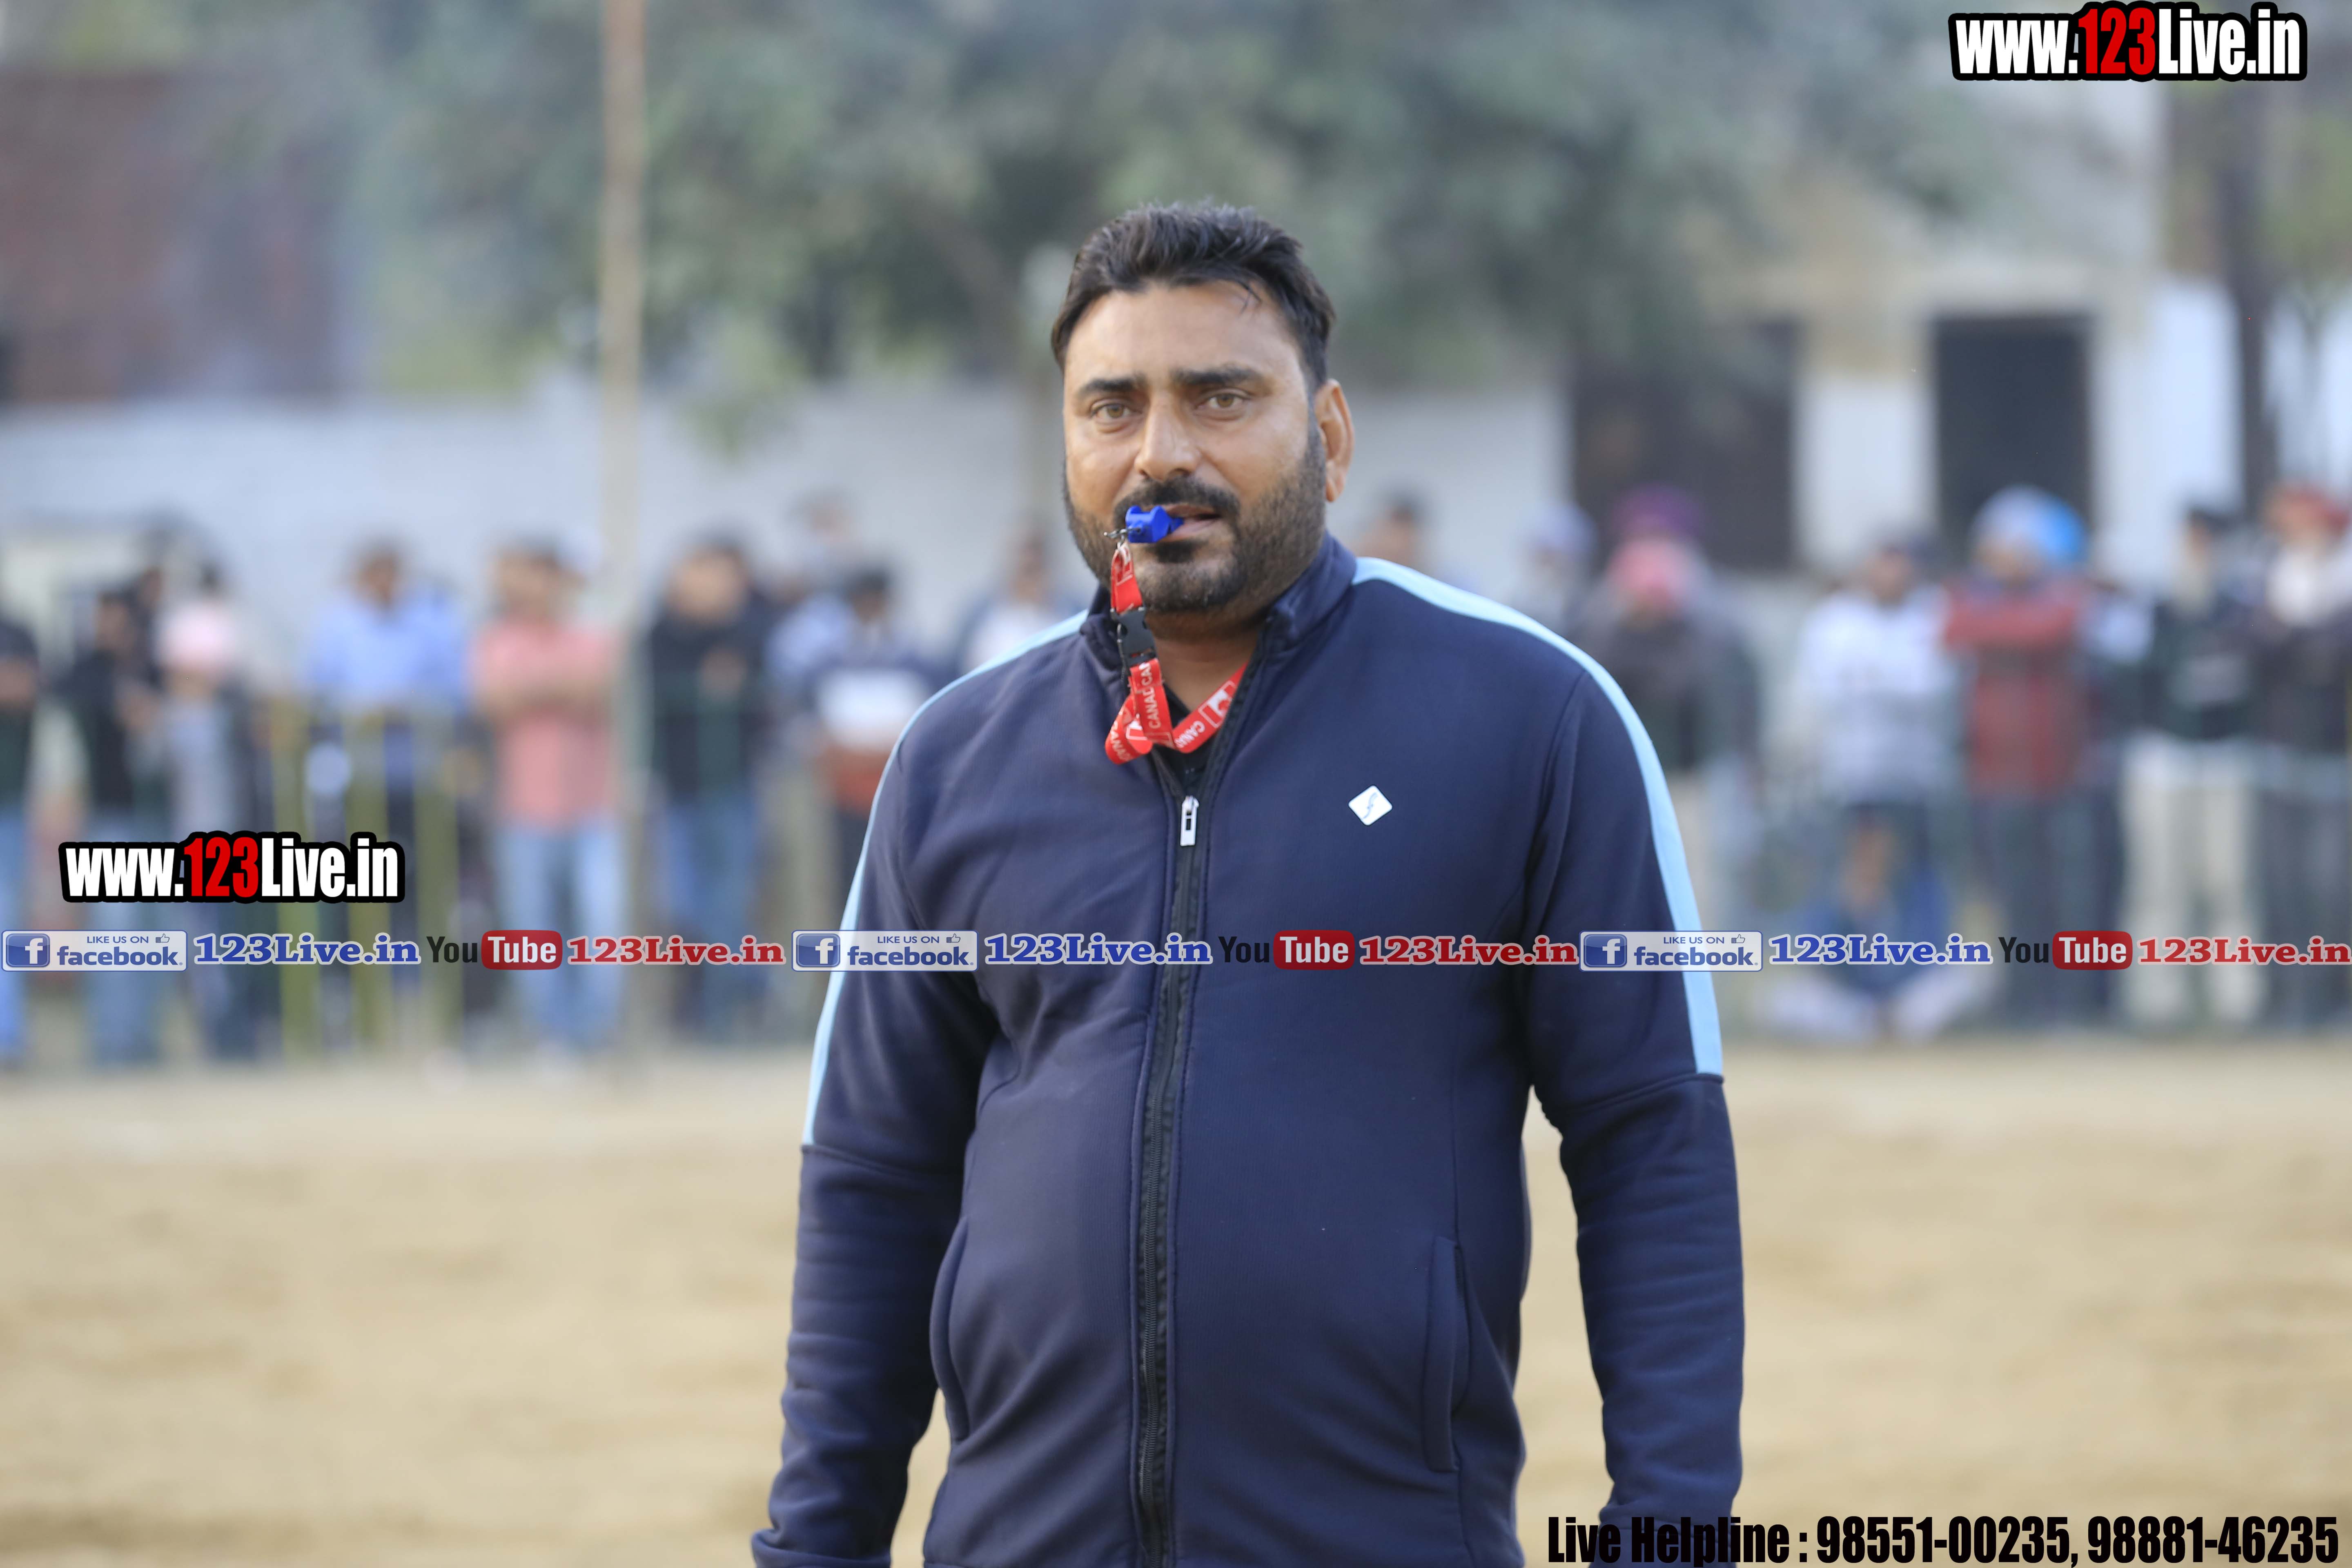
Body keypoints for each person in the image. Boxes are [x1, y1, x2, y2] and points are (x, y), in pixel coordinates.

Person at [754, 203, 1740, 1568]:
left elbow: (1649, 1140)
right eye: (1112, 407)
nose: (1162, 453)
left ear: (1329, 434)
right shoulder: (956, 758)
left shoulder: (1532, 718)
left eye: (1221, 398)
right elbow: (876, 1179)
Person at [1944, 490, 2096, 1026]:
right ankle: (2019, 997)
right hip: (1993, 776)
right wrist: (2007, 628)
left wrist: (1999, 632)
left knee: (2063, 895)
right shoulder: (1971, 600)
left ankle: (2067, 1000)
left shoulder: (2063, 598)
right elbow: (1955, 630)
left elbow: (2053, 628)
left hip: (2056, 775)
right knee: (2009, 896)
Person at [1569, 510, 1762, 930]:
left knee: (1697, 876)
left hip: (1688, 777)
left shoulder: (1699, 638)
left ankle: (1697, 959)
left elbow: (1723, 701)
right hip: (1623, 780)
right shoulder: (1603, 638)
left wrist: (1746, 760)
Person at [471, 542, 624, 1056]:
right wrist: (559, 687)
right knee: (533, 928)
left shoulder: (595, 637)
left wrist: (533, 689)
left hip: (595, 803)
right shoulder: (496, 639)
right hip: (524, 807)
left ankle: (596, 1030)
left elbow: (597, 692)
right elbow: (495, 700)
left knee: (602, 922)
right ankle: (552, 1033)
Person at [2123, 506, 2260, 1029]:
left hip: (2226, 758)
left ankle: (2236, 1001)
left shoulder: (2241, 610)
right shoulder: (2154, 608)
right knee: (2160, 884)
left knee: (2229, 884)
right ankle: (2158, 1003)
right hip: (2163, 760)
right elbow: (2133, 675)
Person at [646, 538, 769, 1038]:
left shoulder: (748, 631)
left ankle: (731, 1006)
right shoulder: (659, 635)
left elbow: (755, 688)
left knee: (731, 899)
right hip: (679, 789)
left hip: (733, 786)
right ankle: (738, 991)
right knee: (681, 901)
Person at [1789, 536, 1956, 895]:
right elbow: (1824, 686)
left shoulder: (1933, 613)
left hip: (1918, 775)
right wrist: (1891, 683)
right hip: (1852, 772)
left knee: (1917, 871)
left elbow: (1934, 685)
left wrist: (1869, 680)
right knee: (1854, 872)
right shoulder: (1835, 619)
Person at [2250, 482, 2352, 1028]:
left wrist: (2297, 638)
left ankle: (2333, 996)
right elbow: (2260, 648)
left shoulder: (2342, 584)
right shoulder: (2273, 578)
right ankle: (2295, 998)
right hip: (2280, 753)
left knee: (2333, 887)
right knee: (2284, 888)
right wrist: (2299, 641)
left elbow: (2333, 650)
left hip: (2335, 758)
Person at [1760, 809, 1991, 1043]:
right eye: (1863, 846)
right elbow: (1814, 958)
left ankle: (1889, 1030)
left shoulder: (1917, 887)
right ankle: (1870, 1031)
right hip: (1855, 1005)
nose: (1871, 855)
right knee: (1779, 998)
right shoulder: (1832, 892)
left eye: (1877, 845)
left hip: (1907, 1000)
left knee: (1970, 974)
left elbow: (1934, 948)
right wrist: (1848, 915)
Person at [158, 564, 263, 1059]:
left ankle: (232, 1029)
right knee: (200, 943)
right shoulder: (177, 722)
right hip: (191, 843)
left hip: (226, 842)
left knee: (226, 941)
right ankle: (217, 1030)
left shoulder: (226, 718)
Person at [60, 590, 168, 1066]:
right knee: (114, 933)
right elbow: (68, 694)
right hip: (108, 817)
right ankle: (112, 1040)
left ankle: (145, 1037)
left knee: (157, 934)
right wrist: (120, 704)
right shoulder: (87, 671)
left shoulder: (154, 668)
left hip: (156, 818)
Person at [800, 566, 942, 899]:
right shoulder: (829, 664)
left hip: (900, 787)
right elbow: (813, 729)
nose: (870, 612)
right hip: (848, 788)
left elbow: (929, 727)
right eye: (862, 603)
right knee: (850, 875)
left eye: (876, 603)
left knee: (902, 876)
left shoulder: (917, 663)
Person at [951, 530, 1083, 674]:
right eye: (1025, 568)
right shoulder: (981, 616)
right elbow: (952, 667)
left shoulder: (1071, 616)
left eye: (1035, 567)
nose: (1030, 580)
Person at [0, 606, 38, 1069]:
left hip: (7, 804)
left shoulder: (17, 631)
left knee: (7, 922)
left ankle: (7, 1038)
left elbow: (24, 690)